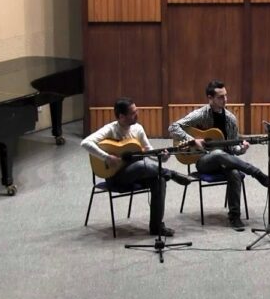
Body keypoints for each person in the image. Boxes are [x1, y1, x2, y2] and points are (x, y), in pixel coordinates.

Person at [168, 80, 270, 231]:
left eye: (226, 96)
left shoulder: (230, 119)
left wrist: (241, 149)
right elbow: (173, 127)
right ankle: (255, 172)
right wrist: (192, 140)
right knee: (217, 153)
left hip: (226, 160)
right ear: (210, 98)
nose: (225, 100)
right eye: (220, 97)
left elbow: (232, 148)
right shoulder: (201, 114)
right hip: (203, 161)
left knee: (235, 173)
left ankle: (235, 217)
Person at [81, 97, 192, 237]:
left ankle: (156, 227)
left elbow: (148, 150)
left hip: (138, 174)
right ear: (121, 116)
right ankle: (172, 174)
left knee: (159, 180)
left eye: (136, 110)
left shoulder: (138, 129)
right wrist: (106, 157)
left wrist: (162, 157)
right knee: (141, 165)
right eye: (133, 112)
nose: (137, 114)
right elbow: (85, 143)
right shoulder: (110, 130)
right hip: (115, 177)